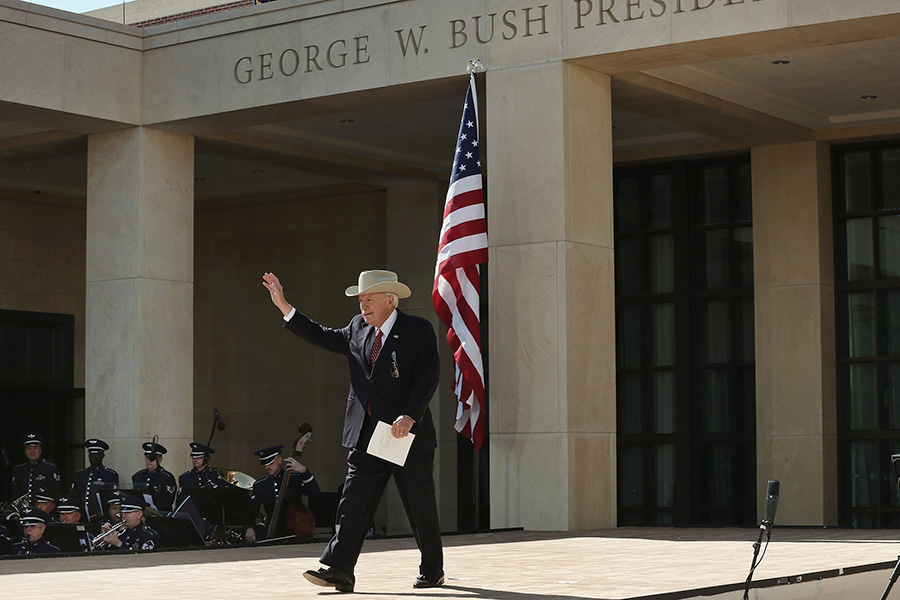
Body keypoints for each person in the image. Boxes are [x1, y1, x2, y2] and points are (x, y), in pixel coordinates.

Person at [262, 270, 443, 592]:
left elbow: (428, 378)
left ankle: (433, 569)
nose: (363, 306)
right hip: (367, 435)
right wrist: (283, 305)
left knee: (419, 505)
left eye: (369, 299)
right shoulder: (356, 328)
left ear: (390, 300)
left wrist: (409, 416)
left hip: (405, 436)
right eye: (360, 300)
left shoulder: (418, 330)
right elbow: (321, 335)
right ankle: (339, 569)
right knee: (353, 505)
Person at [244, 445, 321, 543]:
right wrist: (249, 527)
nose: (267, 466)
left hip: (295, 532)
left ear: (279, 460)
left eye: (270, 463)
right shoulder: (260, 485)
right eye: (265, 464)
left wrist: (304, 471)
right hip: (271, 532)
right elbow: (252, 511)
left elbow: (315, 493)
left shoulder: (295, 478)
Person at [71, 439, 120, 522]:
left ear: (102, 455)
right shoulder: (80, 474)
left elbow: (112, 498)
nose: (93, 457)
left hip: (101, 517)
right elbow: (75, 495)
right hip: (82, 516)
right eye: (91, 454)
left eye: (96, 454)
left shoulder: (110, 474)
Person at [10, 433, 61, 503]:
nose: (32, 451)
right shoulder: (18, 470)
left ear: (40, 450)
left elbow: (55, 491)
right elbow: (14, 493)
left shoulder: (50, 468)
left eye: (35, 448)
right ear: (25, 451)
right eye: (29, 448)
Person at [132, 441, 177, 512]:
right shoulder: (138, 476)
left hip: (160, 516)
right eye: (147, 457)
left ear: (159, 459)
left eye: (152, 458)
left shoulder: (167, 478)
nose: (149, 461)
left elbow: (167, 502)